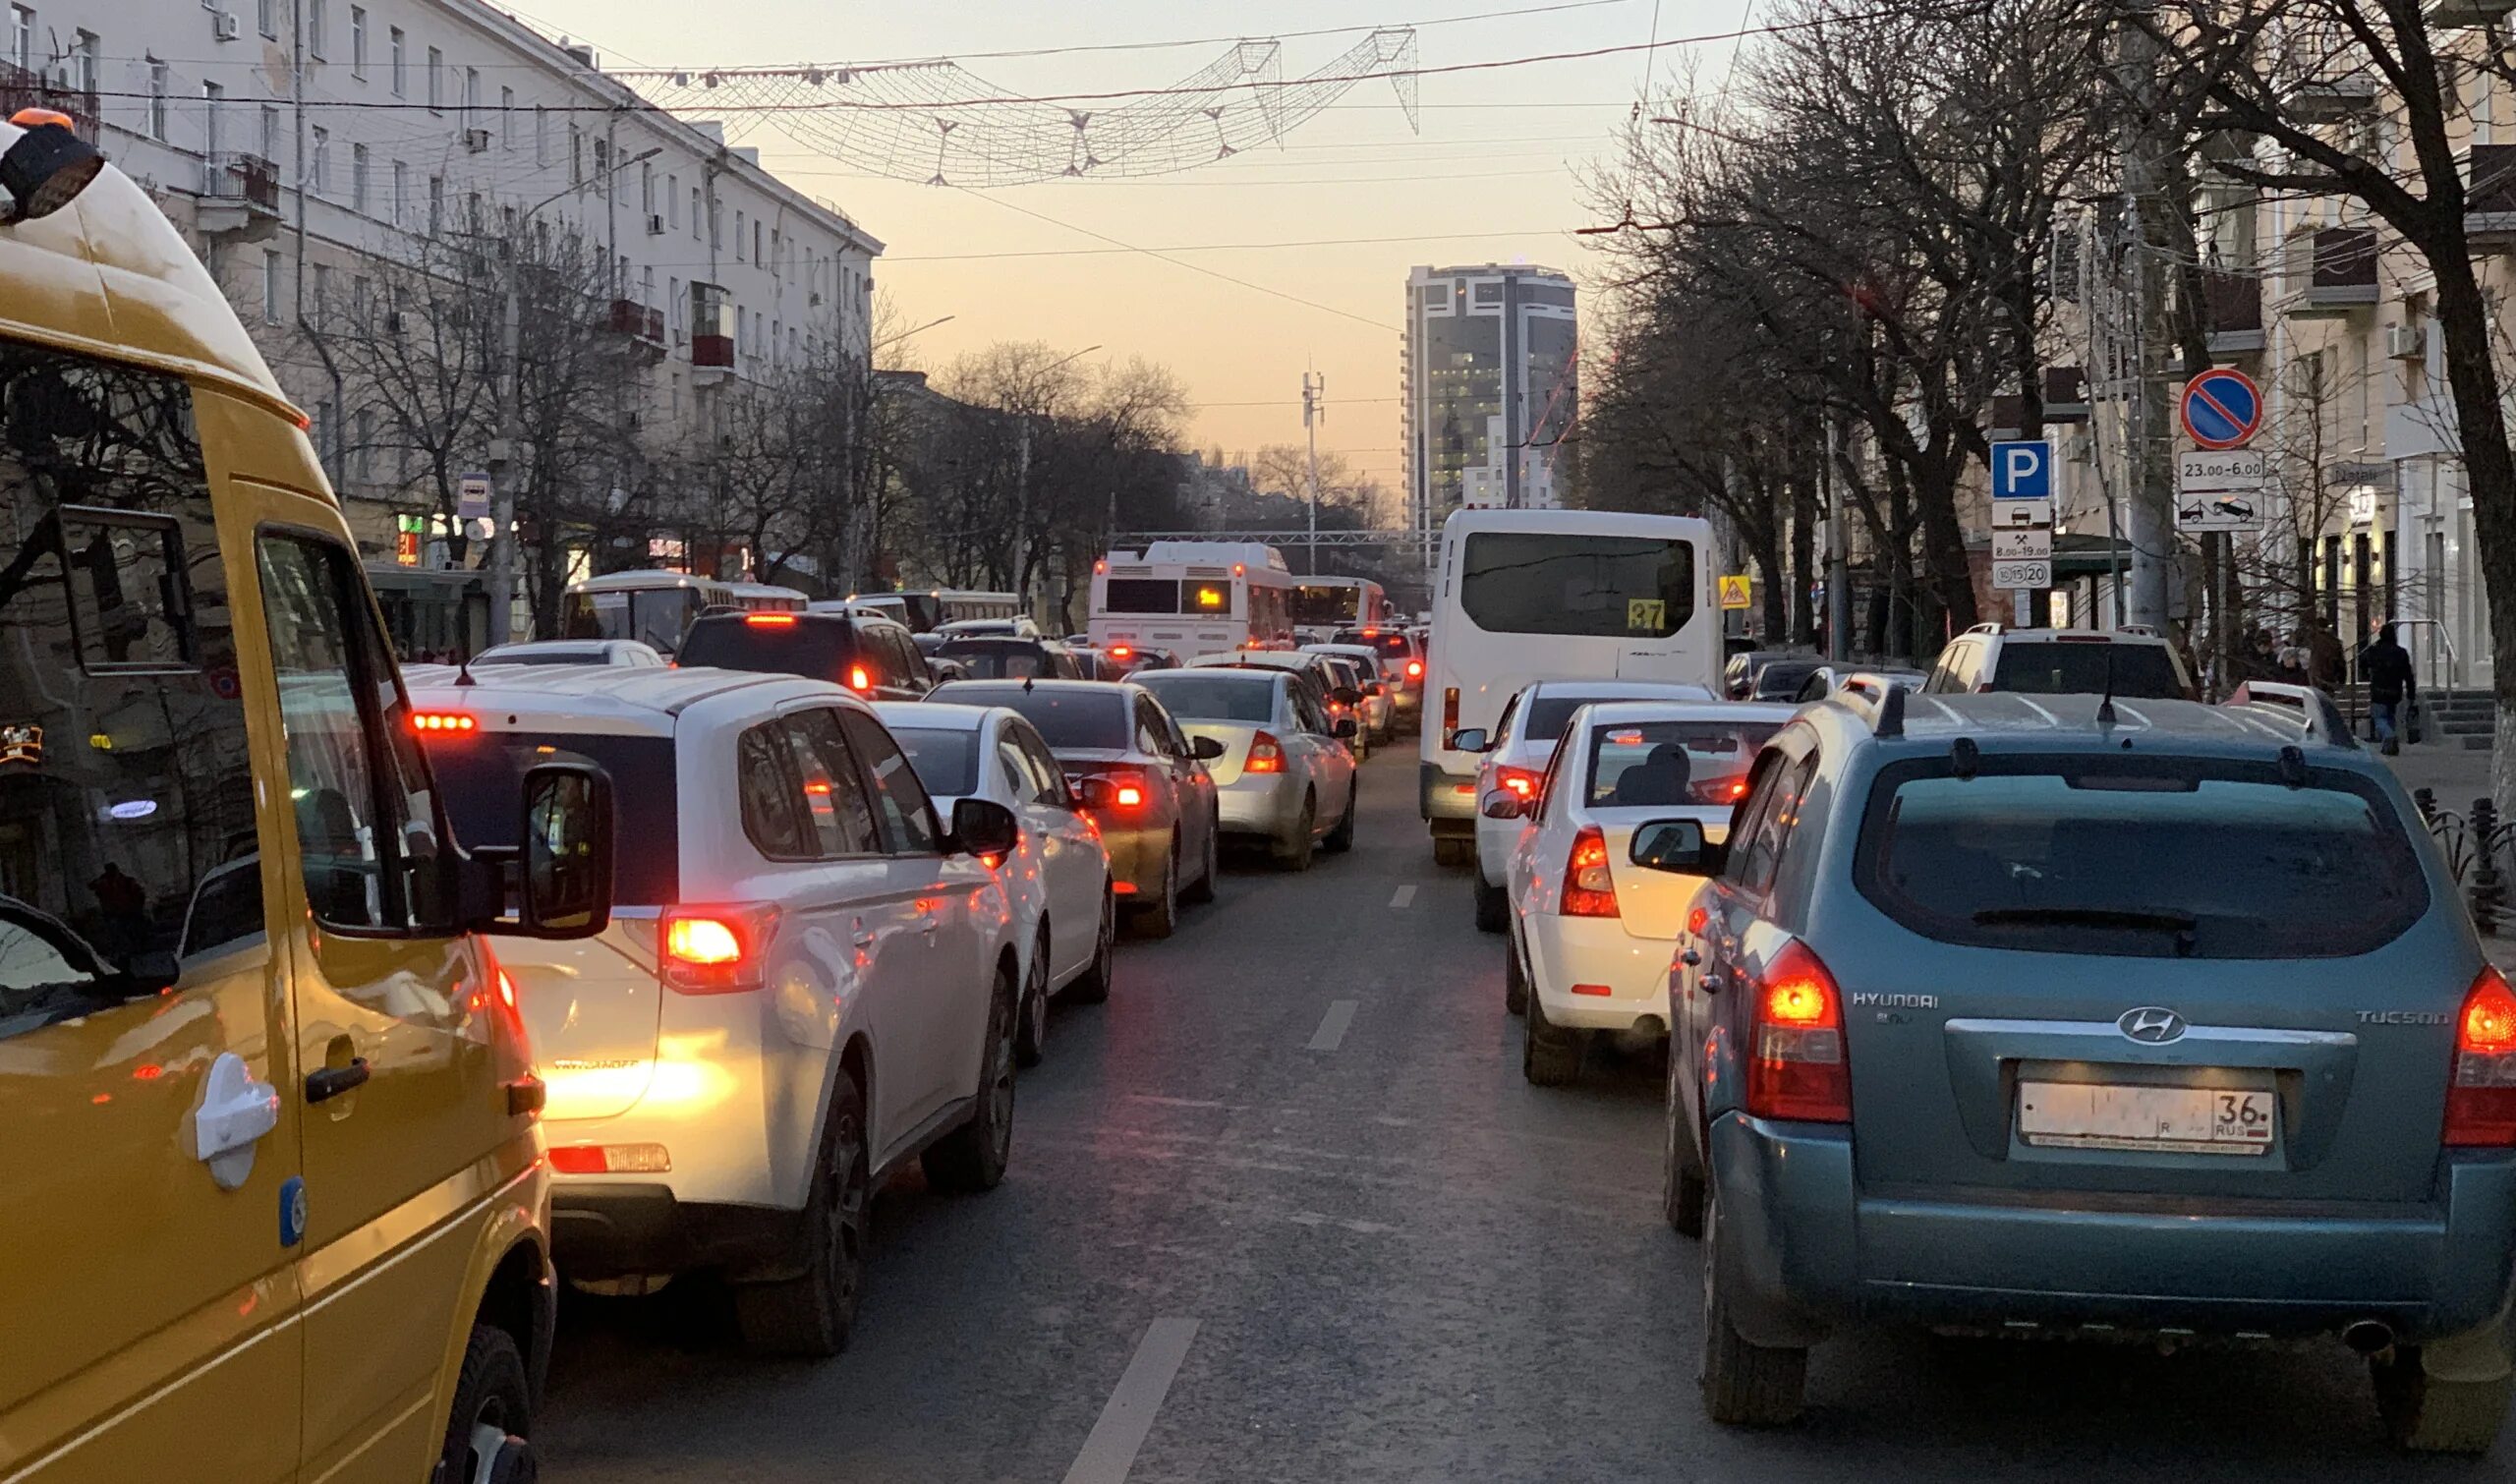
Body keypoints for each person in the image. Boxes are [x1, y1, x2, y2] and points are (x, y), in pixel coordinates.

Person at [2364, 621, 2417, 756]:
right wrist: (2411, 693)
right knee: (2390, 716)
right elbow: (2408, 675)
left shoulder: (2374, 651)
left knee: (2379, 718)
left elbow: (2364, 664)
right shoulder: (2401, 652)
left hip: (2379, 689)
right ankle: (2389, 746)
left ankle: (2389, 737)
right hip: (2395, 689)